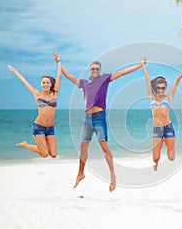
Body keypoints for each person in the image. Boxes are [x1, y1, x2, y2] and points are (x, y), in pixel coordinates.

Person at [59, 54, 146, 192]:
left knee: (104, 146)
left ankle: (113, 177)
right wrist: (59, 62)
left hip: (99, 118)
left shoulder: (105, 78)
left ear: (100, 70)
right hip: (87, 119)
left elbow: (122, 73)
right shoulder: (84, 83)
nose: (95, 70)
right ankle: (80, 173)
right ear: (89, 70)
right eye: (93, 68)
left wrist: (140, 65)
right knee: (83, 147)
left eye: (97, 68)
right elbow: (68, 76)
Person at [7, 53, 62, 158]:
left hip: (50, 128)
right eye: (43, 83)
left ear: (51, 84)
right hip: (38, 127)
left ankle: (42, 146)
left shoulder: (54, 93)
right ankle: (26, 145)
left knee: (54, 154)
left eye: (47, 83)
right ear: (41, 84)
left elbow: (59, 76)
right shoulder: (37, 93)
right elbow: (24, 81)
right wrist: (15, 71)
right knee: (45, 154)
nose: (45, 84)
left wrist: (58, 62)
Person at [142, 59, 182, 171]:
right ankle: (157, 161)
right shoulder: (152, 98)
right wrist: (142, 65)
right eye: (158, 88)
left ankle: (168, 142)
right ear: (156, 88)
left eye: (163, 88)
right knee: (155, 158)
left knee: (171, 157)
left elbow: (178, 79)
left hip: (168, 127)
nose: (160, 90)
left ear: (166, 88)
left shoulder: (168, 98)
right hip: (157, 129)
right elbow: (147, 79)